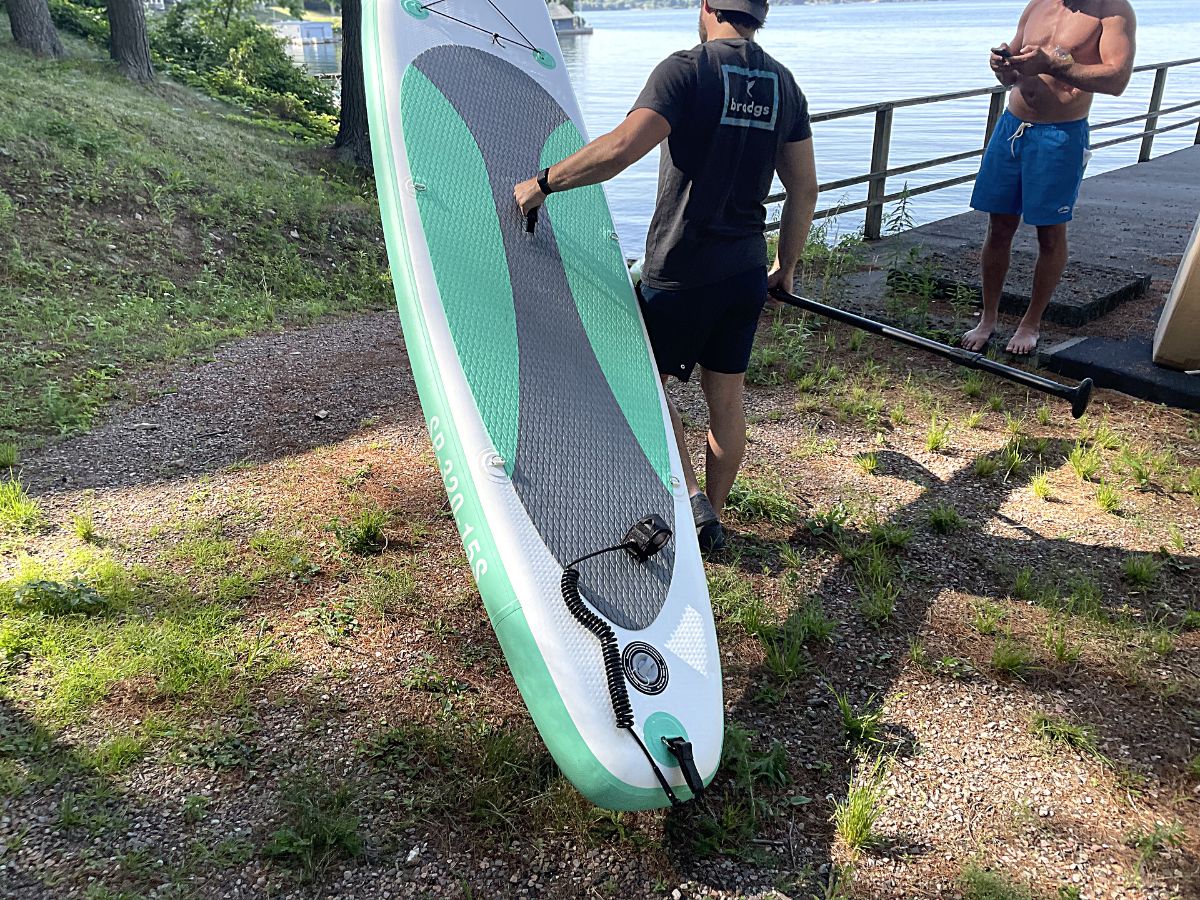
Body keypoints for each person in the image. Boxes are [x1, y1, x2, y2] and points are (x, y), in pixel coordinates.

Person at [516, 0, 818, 552]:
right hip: (746, 269)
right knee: (726, 396)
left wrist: (543, 182)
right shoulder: (784, 84)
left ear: (706, 5)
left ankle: (692, 501)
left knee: (643, 385)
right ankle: (714, 517)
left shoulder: (687, 68)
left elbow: (620, 149)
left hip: (681, 269)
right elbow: (804, 188)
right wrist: (786, 267)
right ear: (762, 14)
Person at [963, 0, 1136, 355]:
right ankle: (989, 318)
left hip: (1060, 134)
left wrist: (1055, 65)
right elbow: (1011, 70)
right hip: (1012, 127)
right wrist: (1002, 65)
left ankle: (1030, 324)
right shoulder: (1038, 4)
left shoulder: (1113, 12)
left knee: (1050, 235)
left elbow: (1117, 78)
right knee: (998, 228)